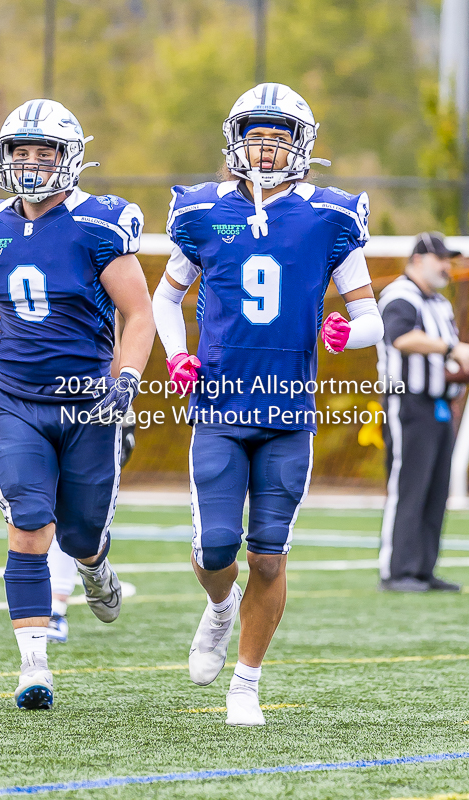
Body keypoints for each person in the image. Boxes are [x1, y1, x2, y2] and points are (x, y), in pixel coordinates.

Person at [152, 82, 383, 726]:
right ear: (235, 143)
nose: (267, 150)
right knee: (216, 550)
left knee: (268, 555)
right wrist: (176, 357)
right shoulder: (202, 211)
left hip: (288, 412)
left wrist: (343, 330)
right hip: (220, 405)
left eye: (279, 139)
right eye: (255, 138)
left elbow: (370, 316)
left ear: (302, 147)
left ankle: (246, 684)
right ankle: (220, 608)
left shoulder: (329, 217)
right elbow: (165, 300)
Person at [0, 99, 155, 709]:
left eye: (42, 152)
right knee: (28, 525)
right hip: (18, 401)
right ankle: (33, 664)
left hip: (88, 406)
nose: (29, 163)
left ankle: (96, 567)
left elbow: (139, 313)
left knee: (78, 535)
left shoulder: (100, 224)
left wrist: (126, 380)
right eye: (20, 151)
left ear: (69, 158)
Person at [0, 309, 138, 645]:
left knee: (77, 519)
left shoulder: (96, 262)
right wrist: (19, 315)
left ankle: (90, 570)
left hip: (87, 406)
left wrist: (124, 398)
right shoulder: (13, 275)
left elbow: (116, 344)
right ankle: (54, 611)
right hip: (29, 408)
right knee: (36, 514)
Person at [376, 232, 469, 593]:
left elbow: (448, 357)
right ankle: (396, 571)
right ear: (418, 259)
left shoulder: (440, 305)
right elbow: (400, 338)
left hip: (440, 404)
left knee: (435, 489)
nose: (448, 266)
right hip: (408, 403)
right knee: (408, 486)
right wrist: (453, 348)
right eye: (441, 258)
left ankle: (423, 569)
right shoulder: (401, 295)